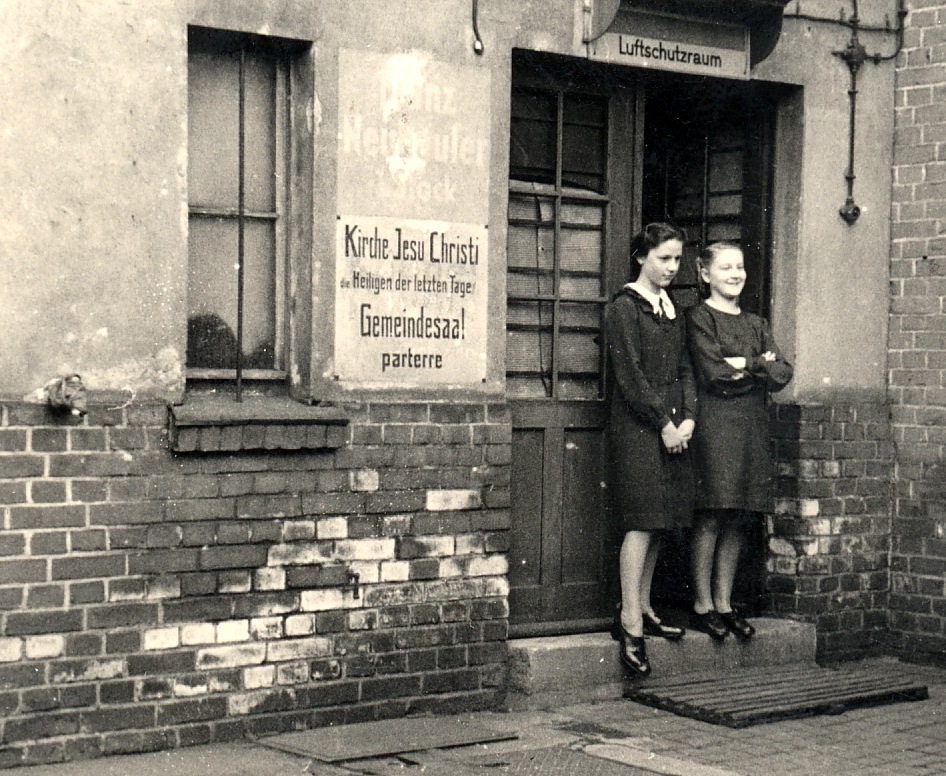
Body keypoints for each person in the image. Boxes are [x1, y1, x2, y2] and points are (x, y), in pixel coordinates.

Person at [685, 242, 793, 641]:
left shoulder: (757, 323)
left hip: (751, 429)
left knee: (740, 514)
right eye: (726, 267)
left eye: (740, 267)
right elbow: (713, 374)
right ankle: (702, 604)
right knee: (713, 510)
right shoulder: (699, 318)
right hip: (715, 428)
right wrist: (758, 369)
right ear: (705, 273)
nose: (735, 274)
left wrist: (746, 364)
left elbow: (783, 372)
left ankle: (725, 602)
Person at [605, 222, 696, 677]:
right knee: (642, 521)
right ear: (642, 257)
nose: (672, 268)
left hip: (674, 426)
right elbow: (630, 377)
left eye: (677, 259)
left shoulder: (673, 309)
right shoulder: (624, 308)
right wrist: (663, 423)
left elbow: (684, 368)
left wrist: (688, 419)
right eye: (664, 258)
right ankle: (629, 621)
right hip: (640, 427)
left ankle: (644, 604)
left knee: (662, 520)